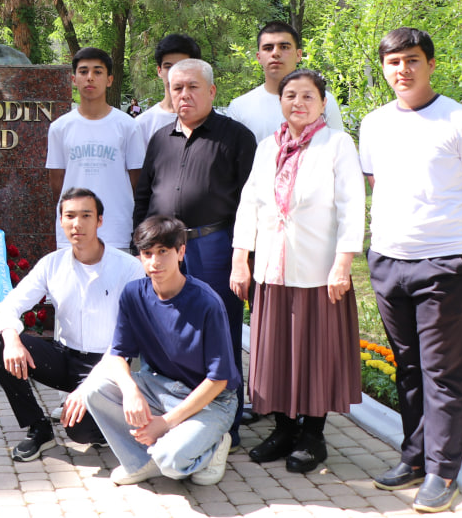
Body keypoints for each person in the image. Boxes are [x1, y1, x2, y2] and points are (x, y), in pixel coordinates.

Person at [360, 28, 462, 513]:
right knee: (408, 368)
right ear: (384, 68)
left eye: (412, 60)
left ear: (431, 64)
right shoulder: (374, 123)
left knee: (443, 372)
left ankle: (443, 473)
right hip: (387, 260)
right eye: (393, 61)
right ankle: (416, 456)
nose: (402, 69)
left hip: (444, 264)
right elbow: (381, 183)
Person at [229, 69, 364, 473]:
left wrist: (344, 262)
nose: (298, 103)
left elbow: (351, 206)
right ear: (281, 101)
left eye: (308, 96)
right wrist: (241, 258)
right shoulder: (268, 147)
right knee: (277, 352)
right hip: (272, 266)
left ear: (323, 104)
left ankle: (313, 436)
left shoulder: (337, 144)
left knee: (316, 353)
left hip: (318, 270)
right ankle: (285, 430)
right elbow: (249, 203)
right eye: (290, 95)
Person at [132, 58, 256, 446]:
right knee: (166, 331)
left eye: (192, 87)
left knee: (219, 333)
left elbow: (250, 204)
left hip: (214, 246)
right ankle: (174, 414)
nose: (183, 95)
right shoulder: (159, 139)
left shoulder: (236, 137)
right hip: (164, 252)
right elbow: (143, 197)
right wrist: (139, 247)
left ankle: (226, 427)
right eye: (176, 88)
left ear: (212, 92)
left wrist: (244, 255)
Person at [67, 216, 239, 487]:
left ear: (181, 252)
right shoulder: (134, 294)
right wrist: (131, 392)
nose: (155, 262)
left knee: (171, 463)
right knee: (94, 390)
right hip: (161, 387)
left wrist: (166, 423)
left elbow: (219, 380)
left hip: (212, 401)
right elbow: (117, 355)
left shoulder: (207, 302)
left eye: (163, 252)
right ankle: (142, 462)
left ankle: (215, 445)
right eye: (147, 254)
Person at [0, 188, 145, 461]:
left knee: (79, 431)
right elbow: (9, 306)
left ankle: (109, 423)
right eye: (69, 216)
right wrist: (12, 339)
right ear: (61, 221)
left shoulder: (129, 268)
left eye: (86, 215)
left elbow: (128, 338)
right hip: (65, 358)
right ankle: (39, 428)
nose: (77, 224)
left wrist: (86, 390)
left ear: (100, 221)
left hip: (109, 366)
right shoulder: (52, 264)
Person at [46, 47, 146, 250]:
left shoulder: (127, 125)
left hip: (116, 230)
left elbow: (138, 181)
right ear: (74, 79)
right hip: (73, 232)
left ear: (109, 80)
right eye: (83, 72)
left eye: (97, 72)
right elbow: (57, 180)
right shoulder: (59, 127)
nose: (90, 77)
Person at [226, 22, 344, 142]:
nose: (275, 53)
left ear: (298, 55)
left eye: (284, 47)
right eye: (268, 48)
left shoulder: (322, 103)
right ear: (259, 57)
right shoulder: (239, 108)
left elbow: (340, 151)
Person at [134, 34, 202, 142]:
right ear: (159, 71)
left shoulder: (215, 123)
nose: (175, 73)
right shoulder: (143, 124)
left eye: (182, 66)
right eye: (168, 67)